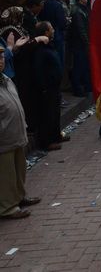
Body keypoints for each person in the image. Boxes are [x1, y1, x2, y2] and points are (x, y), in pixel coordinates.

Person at [0, 47, 41, 219]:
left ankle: (19, 197)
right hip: (4, 138)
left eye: (1, 57)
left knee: (19, 169)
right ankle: (8, 207)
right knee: (6, 174)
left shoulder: (6, 79)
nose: (1, 60)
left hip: (16, 133)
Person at [32, 21, 66, 151]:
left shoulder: (49, 45)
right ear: (46, 32)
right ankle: (47, 142)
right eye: (51, 28)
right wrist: (44, 87)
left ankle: (56, 136)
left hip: (54, 87)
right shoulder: (40, 49)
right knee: (48, 115)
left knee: (55, 112)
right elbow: (39, 70)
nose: (53, 30)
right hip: (47, 88)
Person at [38, 0, 67, 66]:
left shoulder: (44, 3)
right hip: (57, 36)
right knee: (58, 60)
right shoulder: (57, 5)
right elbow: (62, 23)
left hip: (44, 34)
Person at [69, 0, 91, 97]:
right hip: (79, 44)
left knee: (84, 65)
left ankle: (87, 86)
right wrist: (87, 42)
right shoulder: (77, 12)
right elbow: (81, 29)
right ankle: (78, 88)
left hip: (82, 43)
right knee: (78, 65)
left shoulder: (83, 9)